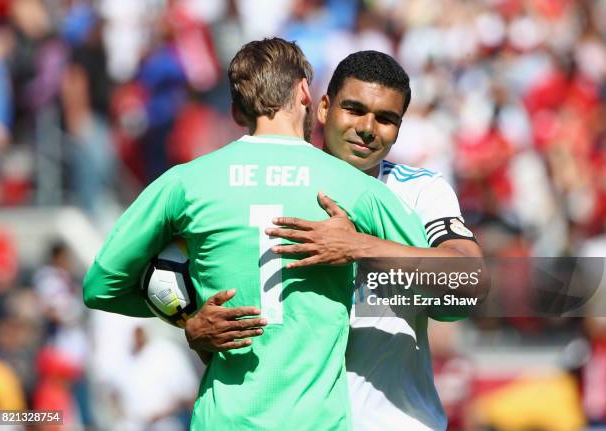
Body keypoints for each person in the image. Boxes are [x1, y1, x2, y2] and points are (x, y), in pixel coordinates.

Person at [83, 38, 428, 430]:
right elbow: (454, 291)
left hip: (222, 420)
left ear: (235, 111)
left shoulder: (185, 182)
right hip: (315, 421)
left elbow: (99, 287)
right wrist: (361, 248)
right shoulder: (354, 186)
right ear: (304, 92)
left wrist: (187, 319)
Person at [184, 51, 485, 431]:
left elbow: (468, 285)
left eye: (386, 119)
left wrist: (357, 247)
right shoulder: (267, 185)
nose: (368, 128)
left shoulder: (420, 192)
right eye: (354, 109)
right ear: (324, 107)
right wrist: (191, 327)